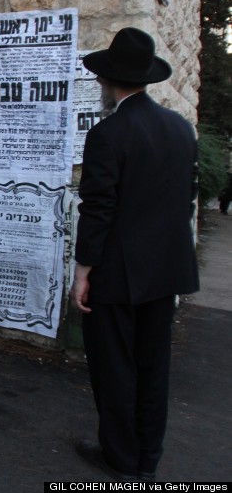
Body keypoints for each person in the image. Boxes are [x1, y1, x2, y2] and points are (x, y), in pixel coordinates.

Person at [70, 27, 199, 481]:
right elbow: (185, 200)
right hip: (165, 270)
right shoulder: (180, 128)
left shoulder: (109, 132)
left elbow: (99, 207)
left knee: (115, 368)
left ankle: (121, 457)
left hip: (119, 273)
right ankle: (149, 455)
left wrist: (83, 271)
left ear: (109, 81)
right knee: (153, 367)